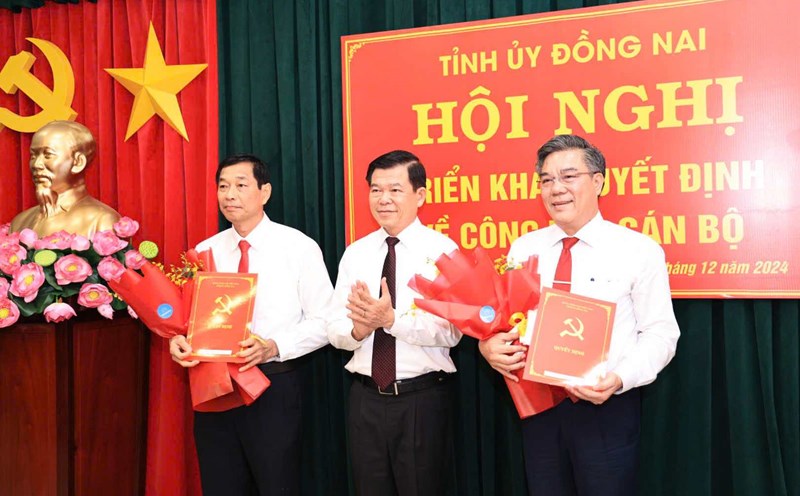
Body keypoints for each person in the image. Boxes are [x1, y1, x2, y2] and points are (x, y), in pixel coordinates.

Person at [479, 135, 680, 496]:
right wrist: (489, 346)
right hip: (537, 406)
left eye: (569, 176)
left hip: (606, 409)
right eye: (546, 179)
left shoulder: (638, 250)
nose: (556, 189)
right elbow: (507, 322)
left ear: (599, 181)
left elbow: (660, 334)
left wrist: (619, 378)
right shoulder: (524, 248)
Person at [169, 154, 334, 496]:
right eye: (223, 186)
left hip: (273, 386)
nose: (229, 194)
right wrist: (180, 341)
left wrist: (273, 346)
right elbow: (191, 319)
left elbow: (325, 320)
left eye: (241, 185)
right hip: (215, 388)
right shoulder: (205, 251)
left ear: (265, 192)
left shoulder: (298, 247)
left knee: (277, 485)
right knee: (221, 485)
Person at [327, 150, 461, 496]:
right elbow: (335, 328)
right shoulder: (356, 253)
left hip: (421, 399)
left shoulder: (443, 251)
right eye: (375, 189)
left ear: (420, 195)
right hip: (365, 400)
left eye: (395, 190)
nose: (383, 199)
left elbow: (452, 330)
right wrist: (360, 328)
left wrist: (391, 320)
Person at [10, 120, 121, 237]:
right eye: (33, 155)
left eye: (48, 155)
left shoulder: (102, 221)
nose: (36, 164)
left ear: (78, 162)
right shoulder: (20, 222)